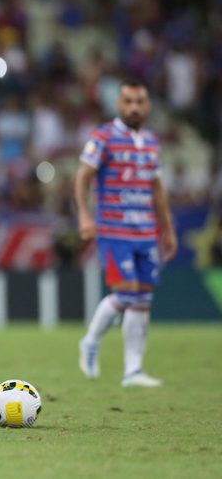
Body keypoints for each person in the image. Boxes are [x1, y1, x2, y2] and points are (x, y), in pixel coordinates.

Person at [75, 79, 177, 387]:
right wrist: (84, 213)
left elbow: (157, 189)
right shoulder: (103, 137)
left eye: (140, 101)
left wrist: (167, 228)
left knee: (142, 299)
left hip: (145, 230)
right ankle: (90, 341)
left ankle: (133, 370)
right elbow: (82, 176)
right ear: (119, 105)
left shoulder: (150, 141)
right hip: (113, 228)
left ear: (148, 106)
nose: (134, 107)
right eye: (128, 101)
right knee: (126, 292)